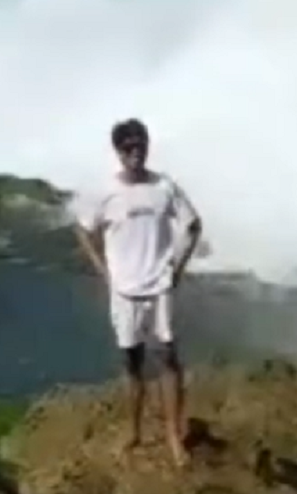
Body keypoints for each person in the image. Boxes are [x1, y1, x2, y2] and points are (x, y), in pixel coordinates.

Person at [74, 117, 203, 468]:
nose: (135, 152)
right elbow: (84, 229)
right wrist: (102, 270)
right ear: (118, 151)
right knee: (131, 363)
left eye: (140, 144)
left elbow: (193, 225)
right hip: (125, 291)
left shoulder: (164, 187)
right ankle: (134, 432)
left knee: (167, 360)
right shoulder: (105, 191)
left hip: (159, 288)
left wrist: (177, 269)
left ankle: (174, 438)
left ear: (147, 145)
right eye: (128, 147)